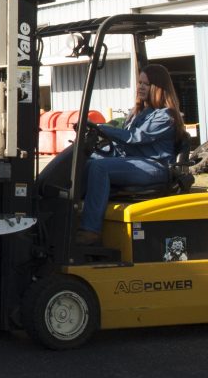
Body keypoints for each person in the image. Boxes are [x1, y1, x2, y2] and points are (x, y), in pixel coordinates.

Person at [75, 64, 185, 245]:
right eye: (139, 83)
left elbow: (135, 137)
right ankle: (72, 216)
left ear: (157, 87)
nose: (140, 87)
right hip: (133, 161)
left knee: (100, 167)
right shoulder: (138, 113)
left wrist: (103, 128)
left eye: (146, 84)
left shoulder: (166, 116)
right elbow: (122, 138)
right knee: (86, 161)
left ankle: (91, 230)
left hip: (154, 165)